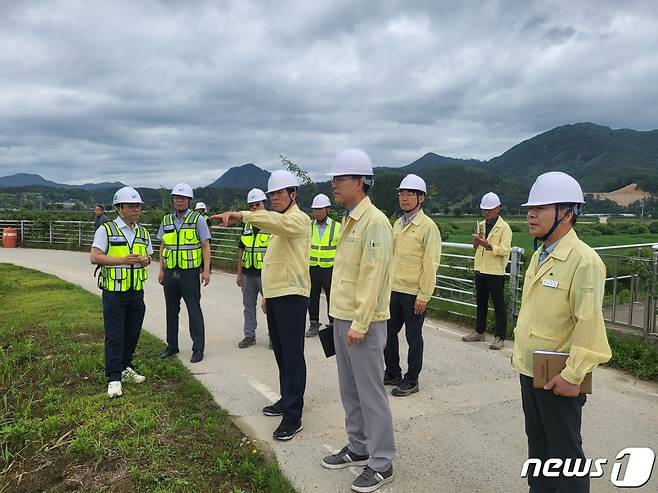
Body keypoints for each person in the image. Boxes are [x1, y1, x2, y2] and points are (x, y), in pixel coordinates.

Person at [512, 171, 612, 493]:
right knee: (538, 450)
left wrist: (574, 375)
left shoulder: (585, 261)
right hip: (531, 369)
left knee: (566, 457)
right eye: (530, 207)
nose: (531, 214)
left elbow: (588, 323)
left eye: (541, 207)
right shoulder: (541, 254)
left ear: (567, 213)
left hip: (560, 377)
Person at [214, 170, 311, 441]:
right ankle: (286, 398)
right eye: (272, 195)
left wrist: (241, 215)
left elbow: (272, 223)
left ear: (293, 194)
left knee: (292, 355)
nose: (275, 198)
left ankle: (294, 416)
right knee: (280, 353)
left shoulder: (299, 220)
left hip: (293, 295)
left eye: (279, 193)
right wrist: (267, 295)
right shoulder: (278, 223)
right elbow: (272, 262)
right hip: (277, 295)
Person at [320, 148, 395, 493]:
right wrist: (340, 318)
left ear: (361, 182)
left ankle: (381, 463)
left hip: (362, 322)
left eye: (341, 178)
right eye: (334, 178)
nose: (334, 184)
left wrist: (361, 323)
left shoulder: (375, 221)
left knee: (370, 392)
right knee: (349, 390)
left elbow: (374, 276)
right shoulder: (350, 219)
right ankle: (357, 446)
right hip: (342, 318)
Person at [90, 187, 152, 398]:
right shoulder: (106, 230)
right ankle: (114, 377)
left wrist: (146, 261)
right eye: (131, 206)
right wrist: (121, 261)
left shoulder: (142, 232)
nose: (136, 209)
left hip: (136, 291)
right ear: (119, 208)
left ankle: (126, 367)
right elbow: (95, 257)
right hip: (114, 292)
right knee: (115, 335)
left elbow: (149, 257)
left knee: (132, 333)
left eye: (138, 206)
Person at [384, 174, 441, 397]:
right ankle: (393, 372)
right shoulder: (397, 224)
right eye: (401, 193)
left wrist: (424, 295)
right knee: (387, 334)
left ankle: (412, 378)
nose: (404, 198)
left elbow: (431, 263)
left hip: (414, 293)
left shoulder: (428, 227)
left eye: (409, 194)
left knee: (413, 336)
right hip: (394, 289)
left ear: (421, 198)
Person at [157, 183, 212, 363]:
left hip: (189, 274)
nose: (179, 201)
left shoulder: (198, 220)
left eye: (183, 198)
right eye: (176, 198)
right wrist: (161, 270)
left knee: (194, 310)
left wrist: (206, 271)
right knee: (171, 311)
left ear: (189, 200)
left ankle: (198, 349)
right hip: (170, 273)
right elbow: (163, 245)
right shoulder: (166, 220)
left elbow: (205, 246)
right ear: (173, 199)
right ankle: (172, 346)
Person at [462, 192, 513, 350]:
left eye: (489, 210)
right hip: (480, 268)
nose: (486, 213)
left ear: (498, 208)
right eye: (484, 210)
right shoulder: (482, 225)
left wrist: (488, 246)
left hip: (495, 272)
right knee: (481, 303)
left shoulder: (505, 228)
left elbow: (505, 250)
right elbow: (475, 247)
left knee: (498, 305)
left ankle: (500, 337)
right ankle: (479, 331)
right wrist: (476, 242)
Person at [236, 188, 271, 348]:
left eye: (257, 204)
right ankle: (249, 336)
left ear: (264, 204)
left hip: (267, 275)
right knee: (248, 307)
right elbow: (241, 250)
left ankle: (274, 337)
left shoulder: (273, 224)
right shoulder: (247, 225)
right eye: (251, 205)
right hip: (248, 274)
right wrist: (239, 274)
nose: (254, 208)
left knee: (271, 308)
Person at [306, 193, 341, 338]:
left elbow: (342, 249)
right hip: (312, 267)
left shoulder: (337, 226)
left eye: (321, 209)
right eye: (315, 209)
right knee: (312, 297)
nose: (318, 212)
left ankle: (333, 324)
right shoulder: (308, 226)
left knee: (331, 297)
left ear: (327, 209)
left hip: (330, 268)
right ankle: (314, 323)